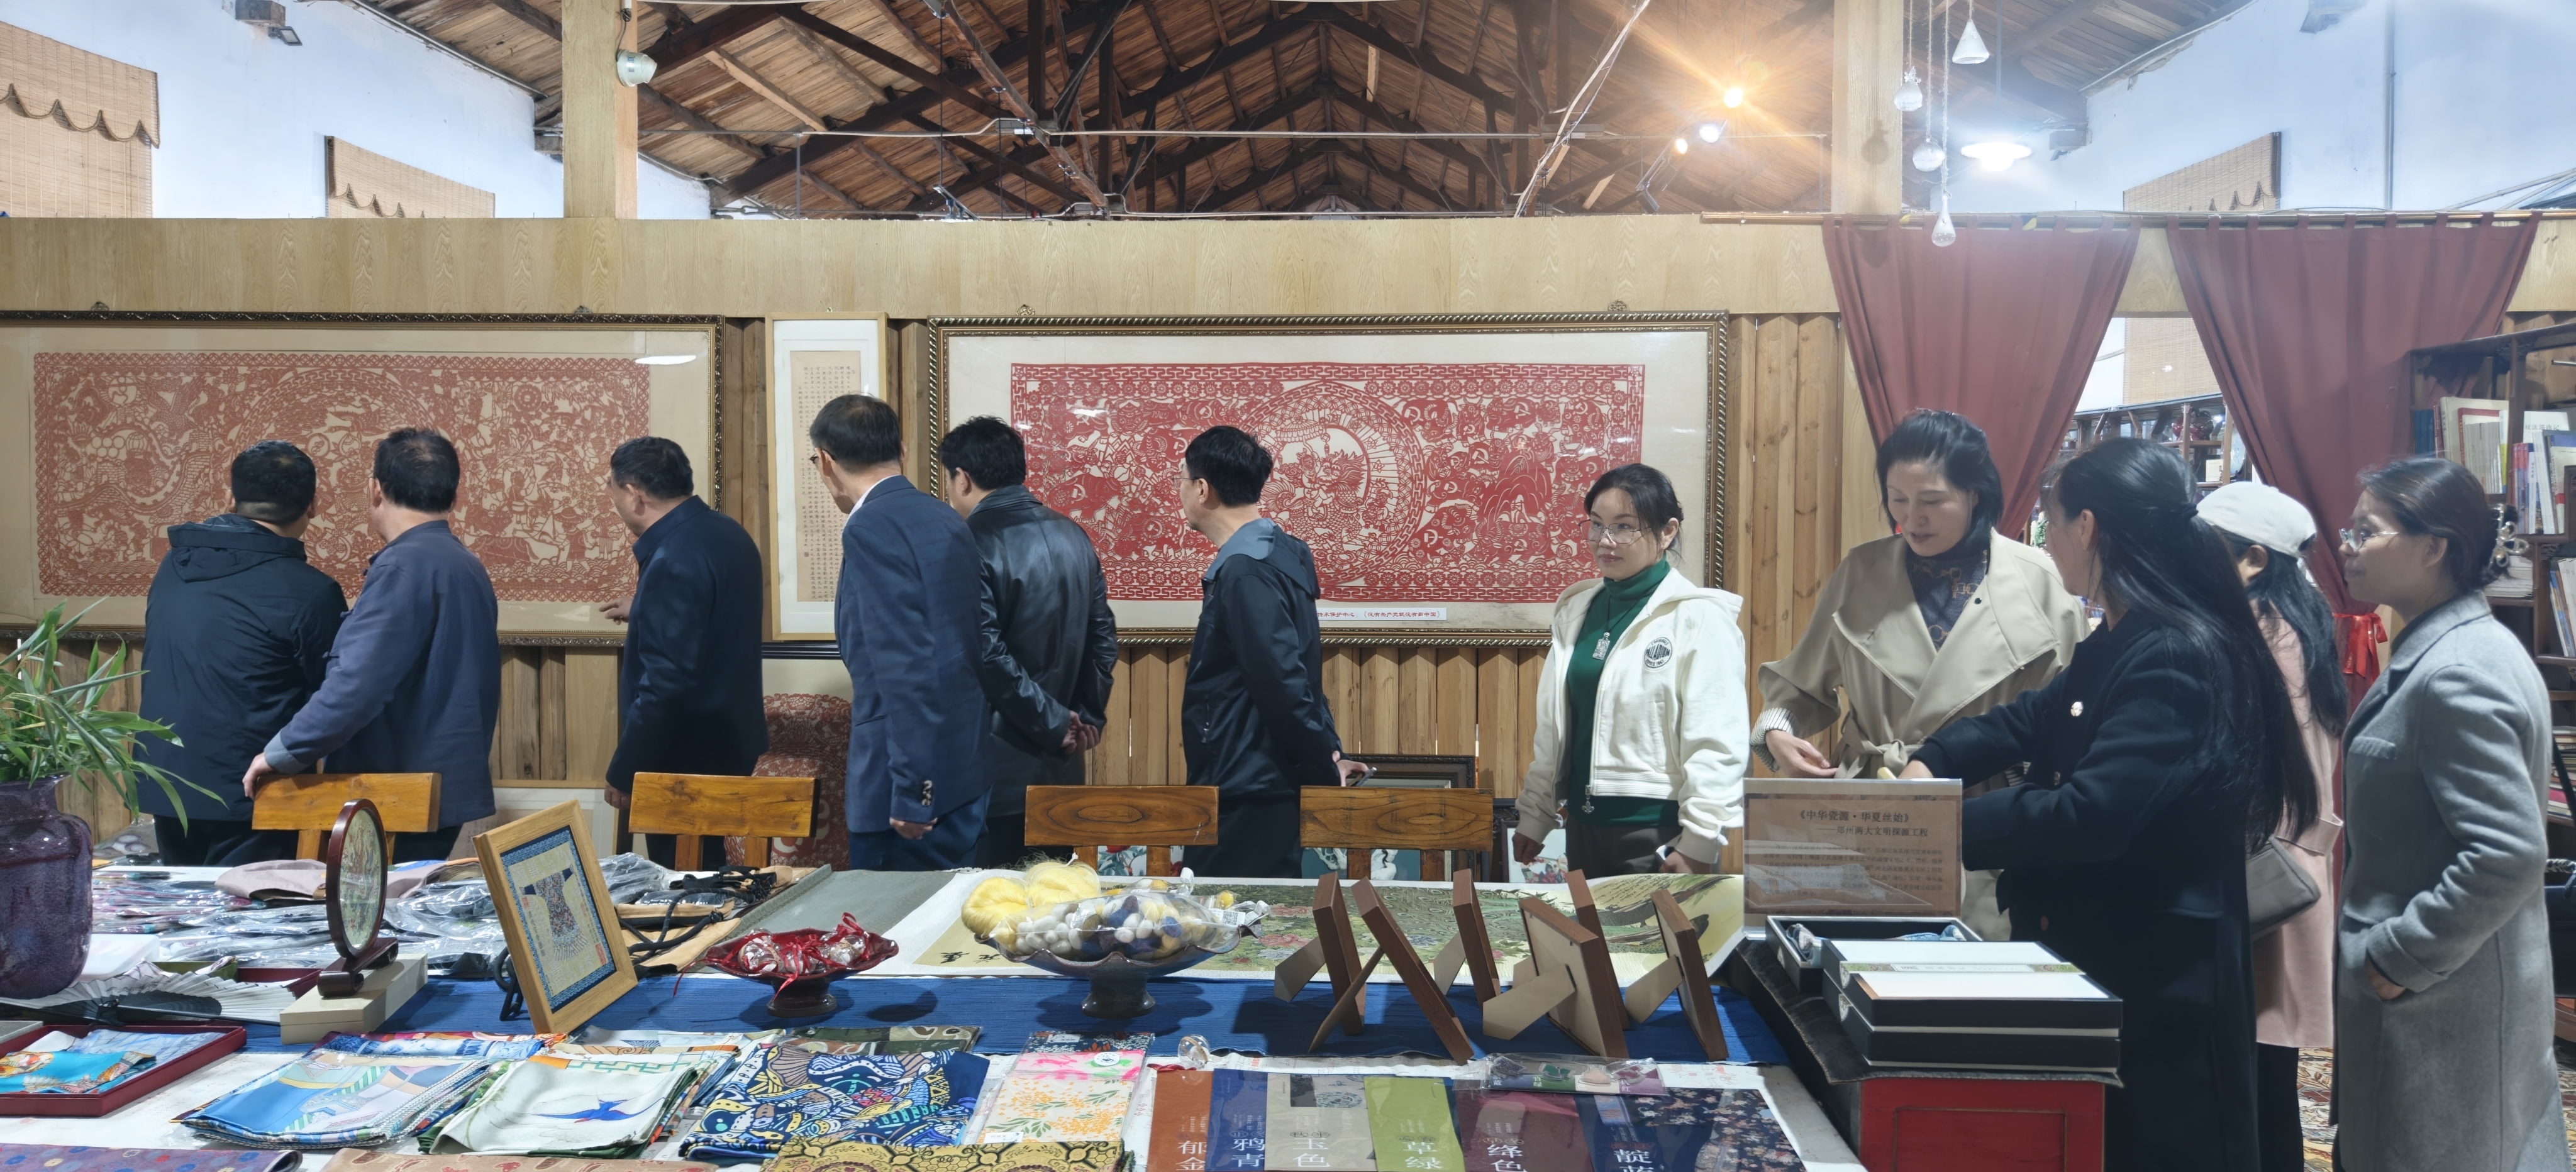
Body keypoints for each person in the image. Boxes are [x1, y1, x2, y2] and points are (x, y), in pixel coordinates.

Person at [1899, 438, 2315, 1171]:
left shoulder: (2175, 650)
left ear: (2087, 526)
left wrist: (1929, 825)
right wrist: (1937, 756)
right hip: (2105, 962)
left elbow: (2090, 814)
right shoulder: (2125, 632)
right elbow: (2032, 717)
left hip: (2157, 984)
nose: (2046, 542)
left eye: (2052, 523)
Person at [1755, 409, 2087, 937]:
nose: (1912, 519)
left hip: (1986, 818)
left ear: (1975, 493)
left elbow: (2075, 719)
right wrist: (1777, 731)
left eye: (1931, 501)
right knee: (1858, 969)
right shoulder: (1861, 572)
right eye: (1898, 499)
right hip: (1872, 811)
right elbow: (1799, 686)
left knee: (1969, 977)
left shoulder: (2040, 582)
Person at [2331, 457, 2565, 1172]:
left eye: (2365, 531)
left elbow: (2507, 851)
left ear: (2433, 547)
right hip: (2454, 992)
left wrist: (2402, 954)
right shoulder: (2457, 646)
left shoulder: (2457, 669)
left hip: (2441, 999)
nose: (2347, 546)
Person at [245, 428, 501, 863]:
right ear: (453, 495)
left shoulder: (404, 565)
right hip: (439, 782)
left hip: (397, 788)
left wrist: (284, 752)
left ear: (375, 489)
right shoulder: (463, 561)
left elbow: (358, 681)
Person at [2196, 481, 2346, 1172]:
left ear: (2253, 559)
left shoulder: (2262, 638)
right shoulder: (2294, 624)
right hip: (2283, 870)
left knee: (2249, 1084)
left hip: (2261, 879)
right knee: (2262, 1080)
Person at [1510, 464, 1748, 878]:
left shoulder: (1699, 618)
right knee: (1587, 925)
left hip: (1661, 831)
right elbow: (1555, 730)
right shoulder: (1576, 610)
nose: (1605, 541)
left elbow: (1718, 742)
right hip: (1584, 826)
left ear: (1667, 532)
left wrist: (1700, 840)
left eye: (1624, 527)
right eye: (1596, 525)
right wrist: (1536, 814)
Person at [134, 441, 347, 867]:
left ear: (230, 498)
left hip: (168, 782)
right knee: (253, 910)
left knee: (187, 907)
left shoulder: (174, 567)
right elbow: (334, 692)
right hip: (256, 789)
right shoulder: (310, 591)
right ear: (313, 505)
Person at [1177, 426, 1365, 878]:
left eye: (1182, 480)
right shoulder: (1281, 552)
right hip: (1264, 780)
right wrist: (1329, 753)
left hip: (1247, 785)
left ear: (1202, 489)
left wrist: (1324, 767)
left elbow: (1282, 683)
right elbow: (1298, 675)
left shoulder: (1245, 571)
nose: (1181, 492)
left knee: (1229, 917)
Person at [814, 394, 988, 871]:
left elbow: (904, 664)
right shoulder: (946, 517)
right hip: (965, 768)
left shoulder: (870, 525)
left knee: (892, 918)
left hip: (906, 787)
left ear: (826, 461)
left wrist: (914, 789)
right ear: (903, 450)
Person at [941, 417, 1118, 869]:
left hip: (997, 769)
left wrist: (1057, 722)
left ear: (962, 478)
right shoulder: (1074, 534)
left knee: (993, 905)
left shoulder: (968, 540)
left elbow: (986, 653)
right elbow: (1102, 637)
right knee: (1056, 901)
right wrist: (1086, 717)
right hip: (1063, 767)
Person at [596, 437, 768, 868]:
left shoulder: (673, 557)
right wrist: (644, 607)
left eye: (612, 488)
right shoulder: (726, 532)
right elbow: (713, 617)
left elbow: (666, 683)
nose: (612, 499)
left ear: (634, 494)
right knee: (708, 875)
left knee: (684, 887)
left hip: (682, 757)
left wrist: (625, 767)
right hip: (728, 744)